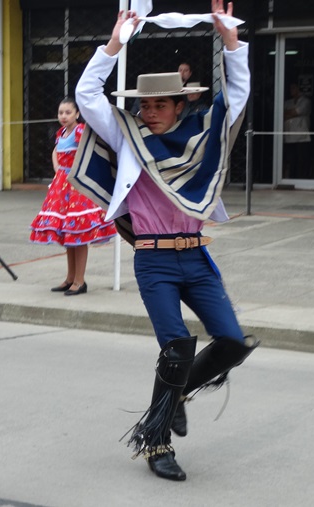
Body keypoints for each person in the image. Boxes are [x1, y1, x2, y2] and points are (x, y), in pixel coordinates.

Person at [72, 2, 258, 482]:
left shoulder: (201, 136)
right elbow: (87, 93)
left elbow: (237, 97)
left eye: (160, 105)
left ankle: (174, 396)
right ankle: (156, 443)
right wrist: (114, 43)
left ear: (180, 106)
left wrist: (231, 44)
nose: (149, 112)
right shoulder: (127, 136)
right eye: (145, 105)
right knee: (176, 347)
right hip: (154, 261)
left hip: (195, 256)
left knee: (232, 342)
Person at [29, 97, 117, 296]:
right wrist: (57, 166)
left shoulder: (80, 131)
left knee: (79, 232)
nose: (63, 116)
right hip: (62, 186)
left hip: (77, 187)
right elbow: (56, 150)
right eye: (61, 112)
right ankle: (70, 278)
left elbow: (91, 150)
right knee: (68, 233)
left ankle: (79, 280)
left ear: (77, 114)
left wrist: (77, 170)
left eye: (68, 112)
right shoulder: (61, 133)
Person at [283, 83, 312, 178]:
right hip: (289, 136)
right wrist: (292, 113)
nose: (291, 90)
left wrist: (290, 113)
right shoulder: (287, 102)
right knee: (291, 161)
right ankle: (292, 179)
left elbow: (297, 111)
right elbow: (281, 114)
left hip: (302, 137)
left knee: (302, 161)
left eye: (294, 88)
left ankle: (302, 180)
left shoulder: (305, 101)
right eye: (291, 88)